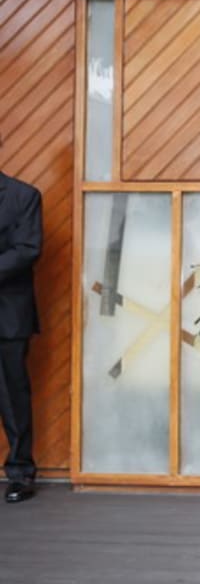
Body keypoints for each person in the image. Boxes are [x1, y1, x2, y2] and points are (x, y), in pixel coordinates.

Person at [0, 160, 42, 504]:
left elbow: (26, 250)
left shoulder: (23, 196)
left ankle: (20, 472)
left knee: (12, 399)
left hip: (6, 317)